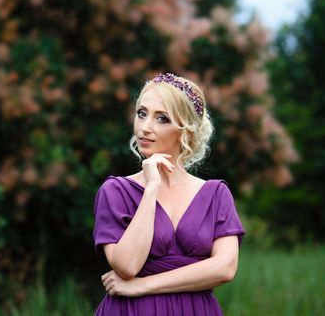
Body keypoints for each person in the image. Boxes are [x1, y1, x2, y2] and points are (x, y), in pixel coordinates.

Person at [92, 72, 245, 315]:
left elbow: (225, 268)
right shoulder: (115, 192)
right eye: (142, 114)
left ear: (185, 130)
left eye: (161, 118)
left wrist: (143, 286)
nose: (145, 127)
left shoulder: (216, 194)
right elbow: (127, 265)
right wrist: (151, 188)